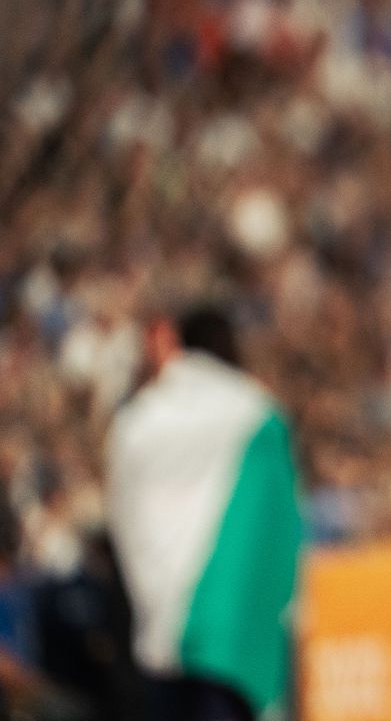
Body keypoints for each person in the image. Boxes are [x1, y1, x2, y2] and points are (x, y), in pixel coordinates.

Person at [105, 304, 301, 721]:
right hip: (229, 638)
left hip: (157, 630)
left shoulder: (136, 422)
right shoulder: (258, 416)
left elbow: (120, 517)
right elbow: (283, 535)